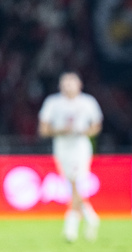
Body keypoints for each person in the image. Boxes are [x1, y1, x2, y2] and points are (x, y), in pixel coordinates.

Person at [38, 72, 103, 242]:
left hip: (80, 147)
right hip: (61, 147)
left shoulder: (88, 102)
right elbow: (43, 129)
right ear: (60, 86)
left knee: (75, 181)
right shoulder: (53, 103)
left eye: (72, 83)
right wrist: (61, 131)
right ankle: (91, 217)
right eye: (65, 83)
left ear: (79, 85)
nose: (68, 86)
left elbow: (96, 126)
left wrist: (84, 132)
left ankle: (71, 226)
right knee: (71, 184)